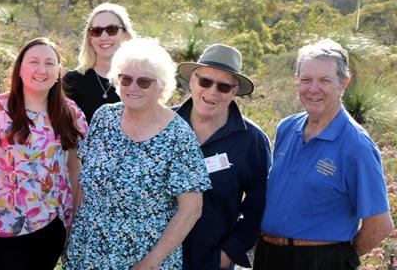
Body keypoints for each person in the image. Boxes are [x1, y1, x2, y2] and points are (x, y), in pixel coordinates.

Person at [65, 38, 211, 270]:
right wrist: (71, 233)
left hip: (143, 259)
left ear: (161, 86)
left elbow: (191, 209)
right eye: (126, 79)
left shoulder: (178, 135)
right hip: (86, 251)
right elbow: (85, 182)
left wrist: (151, 263)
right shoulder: (104, 117)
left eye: (144, 82)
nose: (133, 87)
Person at [256, 40, 393, 270]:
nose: (313, 88)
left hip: (320, 261)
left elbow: (380, 225)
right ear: (297, 80)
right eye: (306, 79)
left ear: (343, 84)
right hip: (268, 256)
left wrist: (339, 259)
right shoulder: (286, 128)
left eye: (324, 80)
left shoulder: (357, 147)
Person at [0, 38, 87, 270]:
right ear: (19, 69)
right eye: (33, 62)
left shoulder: (71, 113)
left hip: (50, 226)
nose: (41, 70)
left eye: (49, 63)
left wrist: (72, 222)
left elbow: (75, 170)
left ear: (58, 72)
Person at [173, 44, 271, 270]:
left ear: (235, 91)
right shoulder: (165, 125)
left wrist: (226, 256)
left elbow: (259, 207)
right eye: (205, 81)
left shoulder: (252, 141)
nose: (212, 91)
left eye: (224, 86)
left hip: (209, 263)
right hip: (153, 260)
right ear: (192, 81)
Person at [63, 3, 137, 122]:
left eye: (111, 29)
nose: (104, 37)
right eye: (96, 31)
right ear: (90, 38)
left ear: (126, 35)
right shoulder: (72, 82)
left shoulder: (141, 82)